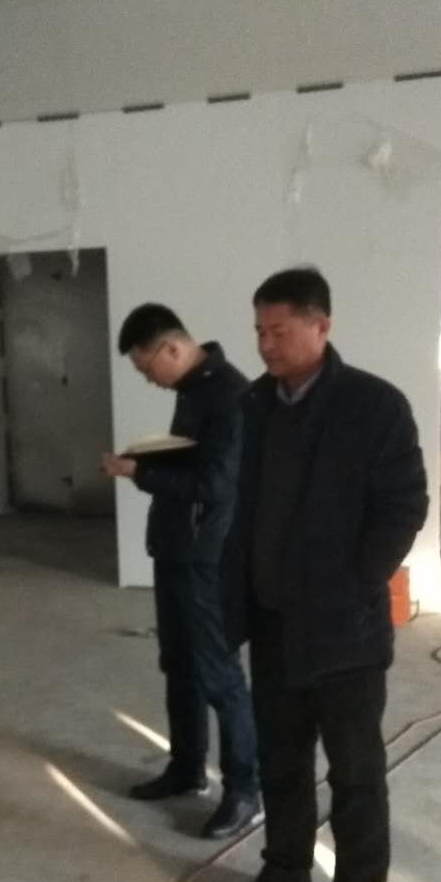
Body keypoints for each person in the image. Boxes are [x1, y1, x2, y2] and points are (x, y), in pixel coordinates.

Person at [221, 267, 428, 882]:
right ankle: (284, 873)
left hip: (345, 632)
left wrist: (356, 583)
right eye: (259, 331)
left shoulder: (373, 406)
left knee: (355, 776)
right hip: (274, 624)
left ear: (322, 326)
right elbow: (238, 513)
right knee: (280, 762)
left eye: (279, 331)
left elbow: (404, 504)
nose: (266, 345)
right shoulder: (254, 406)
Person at [102, 303, 262, 839]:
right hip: (177, 547)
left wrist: (140, 473)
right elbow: (195, 462)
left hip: (206, 557)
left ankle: (245, 791)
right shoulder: (195, 390)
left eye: (148, 367)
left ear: (172, 348)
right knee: (179, 665)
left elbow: (216, 485)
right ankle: (187, 768)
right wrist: (150, 462)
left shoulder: (229, 396)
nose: (148, 378)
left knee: (218, 674)